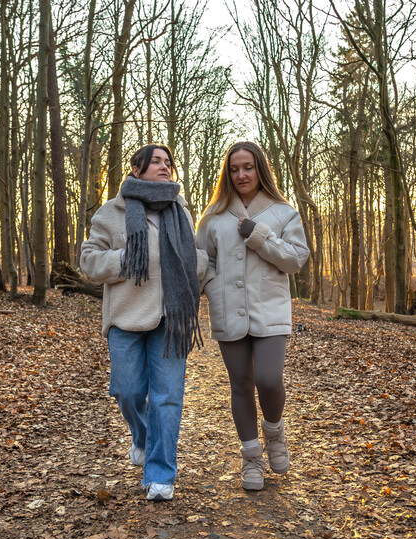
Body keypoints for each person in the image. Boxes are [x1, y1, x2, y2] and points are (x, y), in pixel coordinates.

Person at [80, 144, 206, 501]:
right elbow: (89, 261)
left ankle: (161, 474)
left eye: (168, 162)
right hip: (126, 317)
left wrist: (195, 265)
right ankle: (142, 436)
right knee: (128, 391)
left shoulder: (180, 211)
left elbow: (194, 256)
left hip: (172, 318)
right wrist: (127, 257)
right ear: (136, 169)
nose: (165, 167)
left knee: (168, 397)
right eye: (156, 162)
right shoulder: (112, 211)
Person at [196, 141, 310, 491]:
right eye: (234, 169)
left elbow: (296, 259)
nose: (241, 174)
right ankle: (251, 458)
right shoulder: (213, 216)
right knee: (241, 385)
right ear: (226, 174)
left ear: (260, 169)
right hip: (227, 309)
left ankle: (274, 432)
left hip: (270, 307)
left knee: (269, 379)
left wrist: (258, 236)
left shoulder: (283, 212)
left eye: (248, 167)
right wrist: (211, 284)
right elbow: (202, 259)